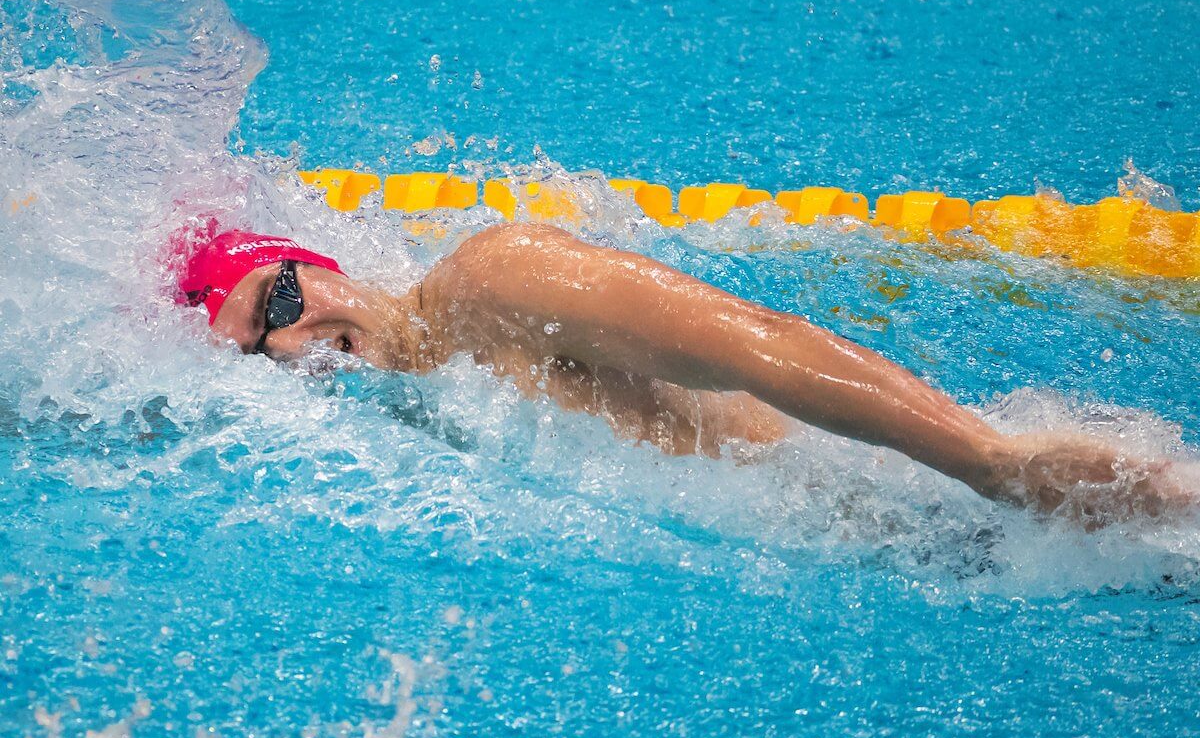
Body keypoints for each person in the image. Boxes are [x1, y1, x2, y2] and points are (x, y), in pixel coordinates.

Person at [178, 222, 1188, 525]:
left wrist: (989, 459)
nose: (300, 340)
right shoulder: (423, 405)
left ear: (313, 261)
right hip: (907, 536)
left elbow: (759, 340)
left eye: (278, 301)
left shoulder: (490, 287)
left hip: (956, 494)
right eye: (264, 352)